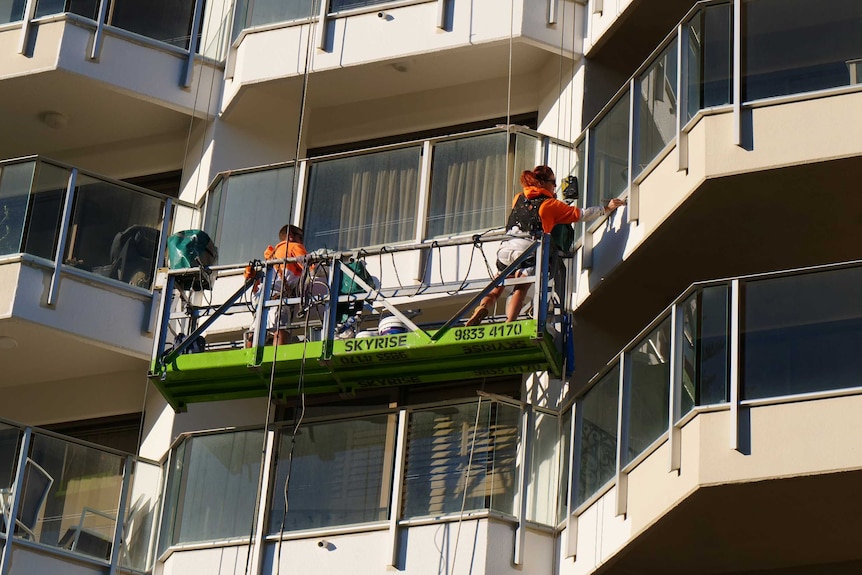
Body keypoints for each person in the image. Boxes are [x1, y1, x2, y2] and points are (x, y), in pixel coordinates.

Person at [465, 165, 625, 326]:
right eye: (553, 182)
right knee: (521, 288)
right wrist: (606, 208)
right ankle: (509, 323)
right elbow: (580, 214)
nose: (555, 186)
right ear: (544, 183)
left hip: (506, 249)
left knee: (496, 287)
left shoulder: (518, 197)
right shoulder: (550, 205)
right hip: (528, 250)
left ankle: (482, 307)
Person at [250, 224, 307, 346]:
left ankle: (247, 357)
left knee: (256, 330)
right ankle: (280, 356)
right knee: (280, 328)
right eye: (300, 237)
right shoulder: (294, 247)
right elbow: (309, 266)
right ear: (291, 236)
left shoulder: (273, 254)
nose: (302, 241)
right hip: (278, 295)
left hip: (261, 294)